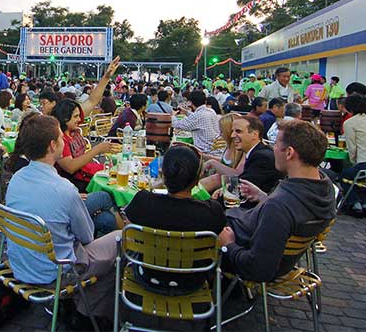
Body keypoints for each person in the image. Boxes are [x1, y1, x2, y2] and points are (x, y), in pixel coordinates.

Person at [5, 114, 119, 326]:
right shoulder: (64, 189)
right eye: (60, 137)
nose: (64, 141)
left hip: (20, 263)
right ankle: (89, 312)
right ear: (52, 145)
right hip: (56, 272)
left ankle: (85, 305)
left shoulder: (17, 178)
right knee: (121, 238)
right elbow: (86, 237)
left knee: (104, 218)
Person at [219, 120, 336, 282]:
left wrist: (229, 245)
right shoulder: (324, 185)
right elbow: (291, 214)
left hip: (237, 249)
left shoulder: (279, 207)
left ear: (289, 153)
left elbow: (257, 268)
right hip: (280, 256)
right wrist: (263, 197)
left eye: (275, 144)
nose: (272, 149)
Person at [123, 145, 226, 294]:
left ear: (163, 174)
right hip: (193, 280)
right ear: (197, 180)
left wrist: (157, 184)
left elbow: (128, 230)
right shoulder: (211, 212)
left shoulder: (143, 202)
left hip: (148, 276)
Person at [201, 115, 283, 196]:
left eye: (238, 131)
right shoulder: (256, 152)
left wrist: (223, 191)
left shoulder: (262, 157)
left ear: (255, 134)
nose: (232, 135)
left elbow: (243, 187)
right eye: (232, 131)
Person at [53, 99, 114, 192]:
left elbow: (92, 100)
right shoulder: (60, 139)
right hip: (74, 185)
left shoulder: (73, 131)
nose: (79, 119)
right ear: (64, 118)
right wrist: (97, 149)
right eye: (76, 116)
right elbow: (70, 167)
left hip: (86, 173)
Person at [339, 94, 366, 214]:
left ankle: (355, 204)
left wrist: (353, 163)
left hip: (363, 163)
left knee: (344, 176)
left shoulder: (350, 123)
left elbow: (352, 149)